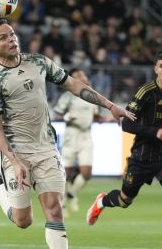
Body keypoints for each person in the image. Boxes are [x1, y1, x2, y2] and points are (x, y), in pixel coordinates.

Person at [0, 19, 135, 249]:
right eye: (3, 37)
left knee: (54, 210)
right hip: (17, 153)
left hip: (46, 148)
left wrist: (110, 106)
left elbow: (74, 85)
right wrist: (13, 161)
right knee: (24, 221)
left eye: (12, 34)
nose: (11, 39)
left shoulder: (39, 62)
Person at [86, 49, 162, 249]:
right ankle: (101, 201)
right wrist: (154, 132)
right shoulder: (146, 92)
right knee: (125, 200)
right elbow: (126, 124)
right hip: (142, 158)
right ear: (156, 69)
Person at [53, 68, 113, 216]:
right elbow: (57, 114)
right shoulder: (68, 96)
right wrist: (67, 116)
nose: (82, 76)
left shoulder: (92, 96)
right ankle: (62, 204)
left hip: (86, 135)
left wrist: (108, 118)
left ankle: (71, 194)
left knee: (86, 173)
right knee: (65, 173)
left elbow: (96, 116)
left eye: (83, 74)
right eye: (77, 75)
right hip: (71, 135)